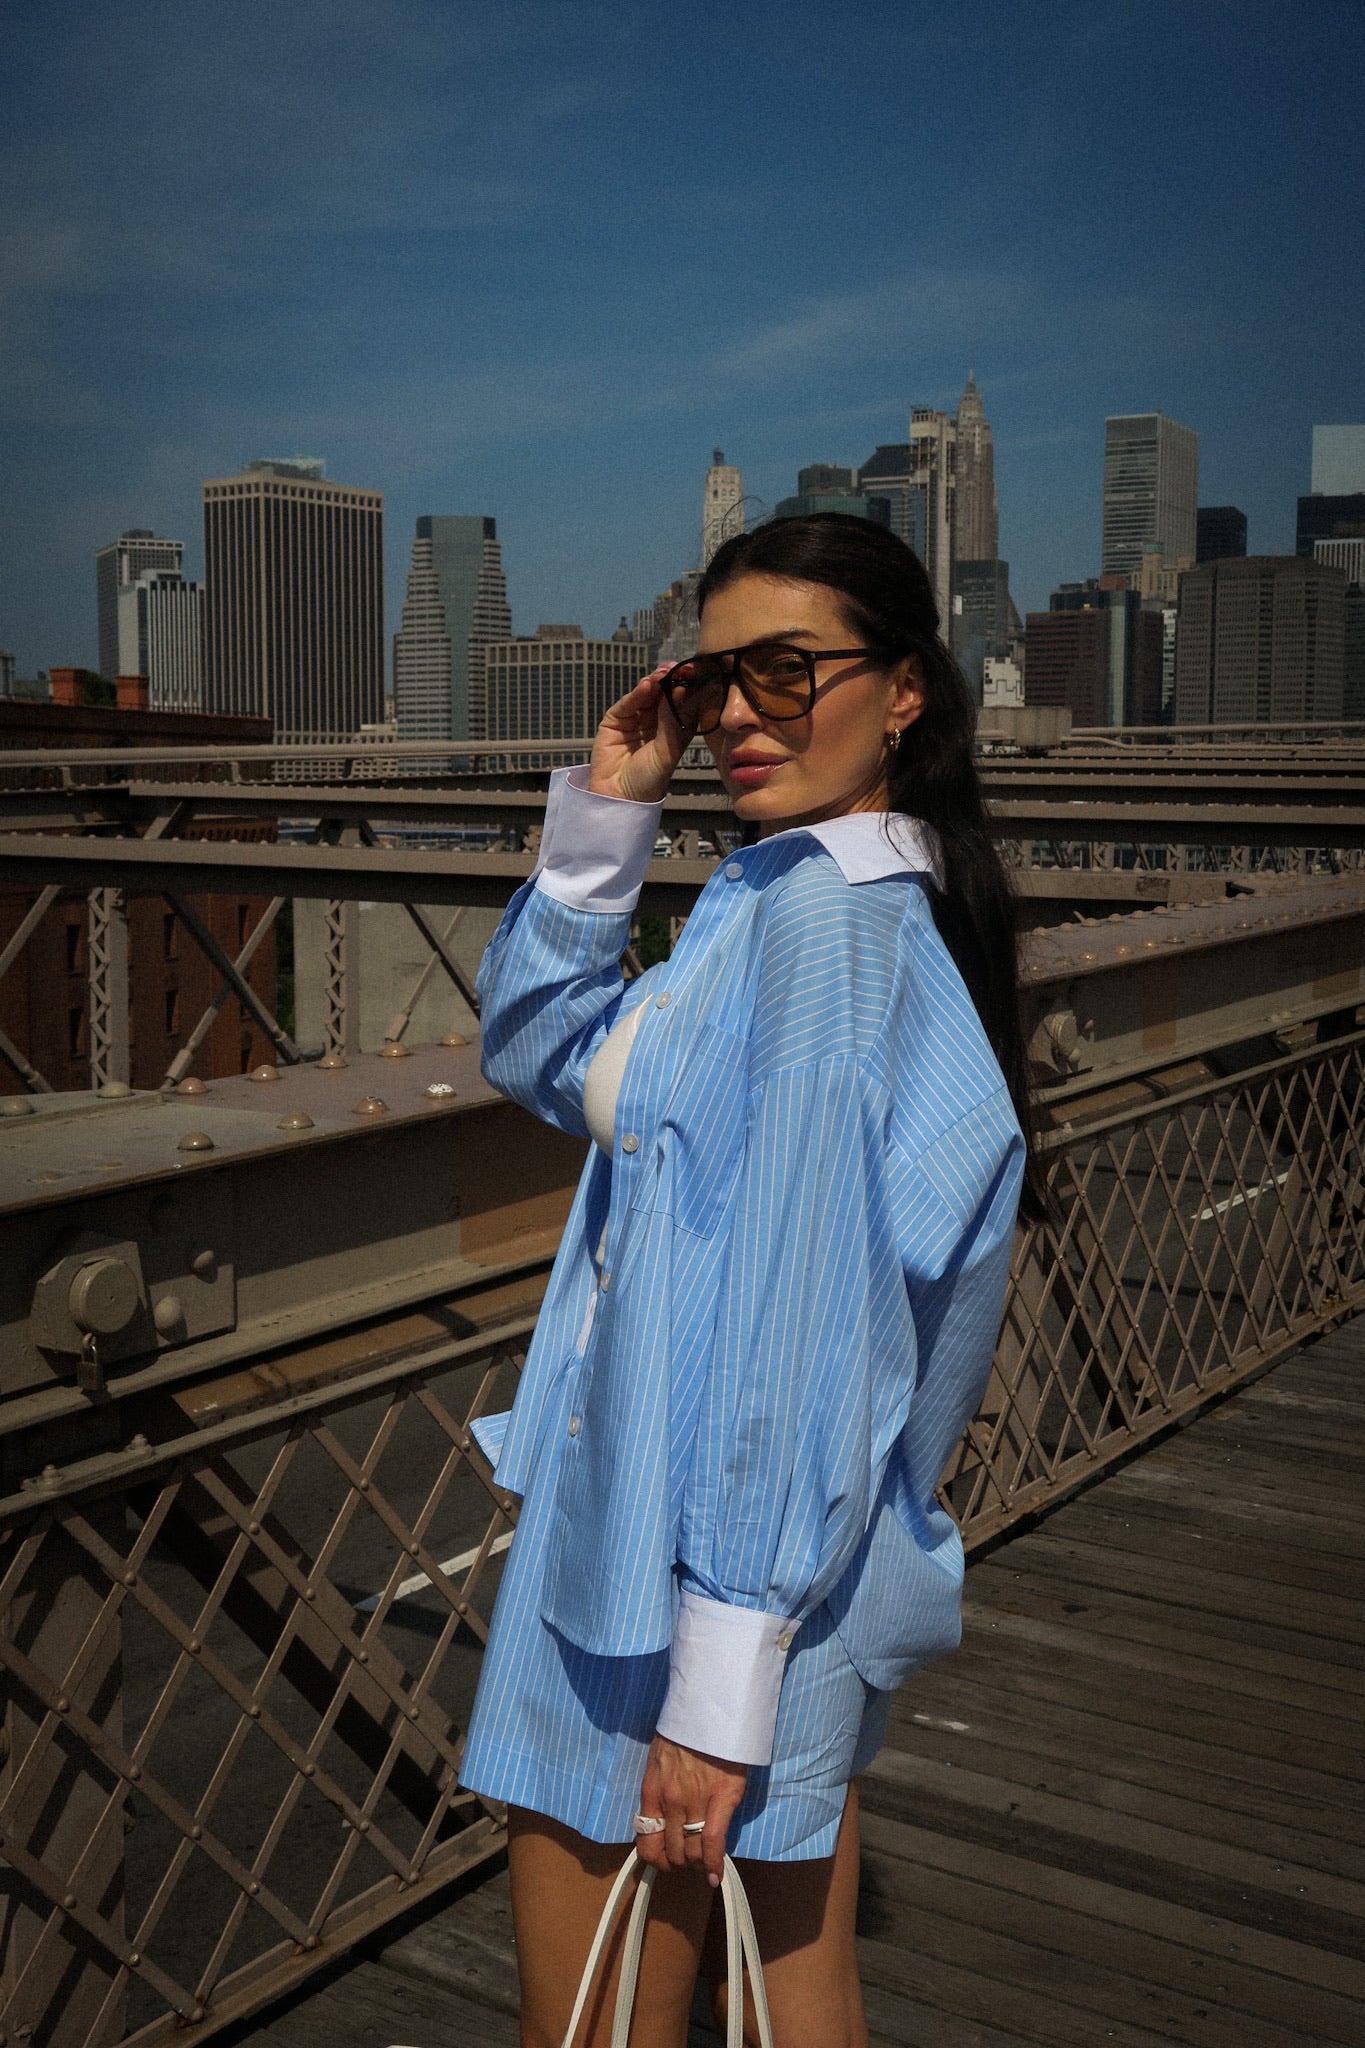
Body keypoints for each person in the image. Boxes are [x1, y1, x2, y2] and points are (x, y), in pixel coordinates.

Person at [458, 514, 1037, 2047]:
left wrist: (713, 1700)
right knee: (799, 2006)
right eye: (713, 677)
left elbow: (801, 1338)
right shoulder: (793, 910)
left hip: (663, 1596)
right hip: (773, 1595)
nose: (733, 715)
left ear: (902, 690)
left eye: (786, 671)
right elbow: (545, 1051)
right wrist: (609, 812)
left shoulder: (820, 936)